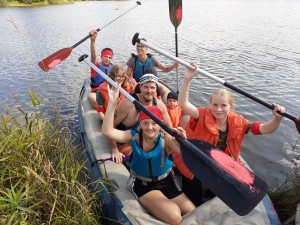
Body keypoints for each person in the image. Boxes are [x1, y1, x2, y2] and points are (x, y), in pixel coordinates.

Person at [175, 62, 286, 207]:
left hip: (220, 164)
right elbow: (183, 103)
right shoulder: (201, 114)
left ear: (231, 107)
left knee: (219, 197)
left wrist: (276, 119)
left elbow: (265, 129)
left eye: (223, 105)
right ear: (210, 104)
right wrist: (187, 79)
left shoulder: (238, 121)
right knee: (193, 200)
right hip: (196, 161)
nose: (218, 109)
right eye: (215, 105)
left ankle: (211, 190)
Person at [102, 85, 196, 225]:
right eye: (145, 123)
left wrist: (184, 141)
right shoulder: (133, 136)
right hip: (144, 185)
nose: (150, 127)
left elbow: (184, 152)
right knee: (175, 217)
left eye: (154, 123)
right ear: (140, 123)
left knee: (193, 211)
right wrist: (111, 103)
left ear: (160, 125)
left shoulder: (166, 139)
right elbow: (107, 132)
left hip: (167, 182)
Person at [110, 73, 173, 164]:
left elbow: (168, 128)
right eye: (146, 87)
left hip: (148, 142)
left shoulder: (159, 105)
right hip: (128, 143)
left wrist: (169, 146)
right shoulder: (128, 103)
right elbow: (111, 124)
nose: (149, 91)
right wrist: (114, 149)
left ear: (156, 89)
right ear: (140, 87)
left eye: (152, 87)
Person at [88, 29, 114, 109]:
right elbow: (93, 56)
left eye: (110, 57)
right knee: (91, 96)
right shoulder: (95, 66)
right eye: (105, 56)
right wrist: (93, 40)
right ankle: (102, 110)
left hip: (109, 91)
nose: (107, 59)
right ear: (101, 57)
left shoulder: (113, 68)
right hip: (97, 91)